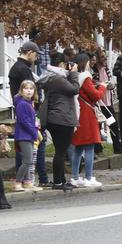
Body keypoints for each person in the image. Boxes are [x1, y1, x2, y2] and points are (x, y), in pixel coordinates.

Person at [37, 52, 81, 191]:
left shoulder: (51, 76)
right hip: (61, 118)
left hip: (55, 117)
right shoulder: (58, 79)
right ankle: (58, 182)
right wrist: (74, 73)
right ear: (62, 64)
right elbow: (74, 89)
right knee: (61, 152)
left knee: (60, 151)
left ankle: (61, 180)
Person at [9, 41, 49, 187]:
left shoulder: (16, 67)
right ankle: (32, 179)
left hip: (21, 109)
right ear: (29, 52)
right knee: (35, 147)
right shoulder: (24, 70)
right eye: (36, 54)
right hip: (28, 110)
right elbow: (30, 91)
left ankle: (27, 180)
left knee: (24, 151)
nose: (37, 57)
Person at [69, 53, 107, 187]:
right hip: (87, 114)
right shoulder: (85, 78)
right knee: (90, 146)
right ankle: (89, 177)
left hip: (78, 112)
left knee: (78, 147)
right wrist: (102, 86)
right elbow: (96, 95)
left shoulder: (74, 77)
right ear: (84, 63)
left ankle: (75, 176)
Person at [13, 81, 42, 192]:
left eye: (31, 88)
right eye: (26, 88)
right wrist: (34, 133)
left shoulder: (28, 102)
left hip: (28, 135)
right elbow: (24, 121)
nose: (29, 90)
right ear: (21, 90)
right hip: (24, 136)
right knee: (27, 161)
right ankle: (18, 183)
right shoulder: (22, 104)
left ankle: (28, 182)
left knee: (28, 160)